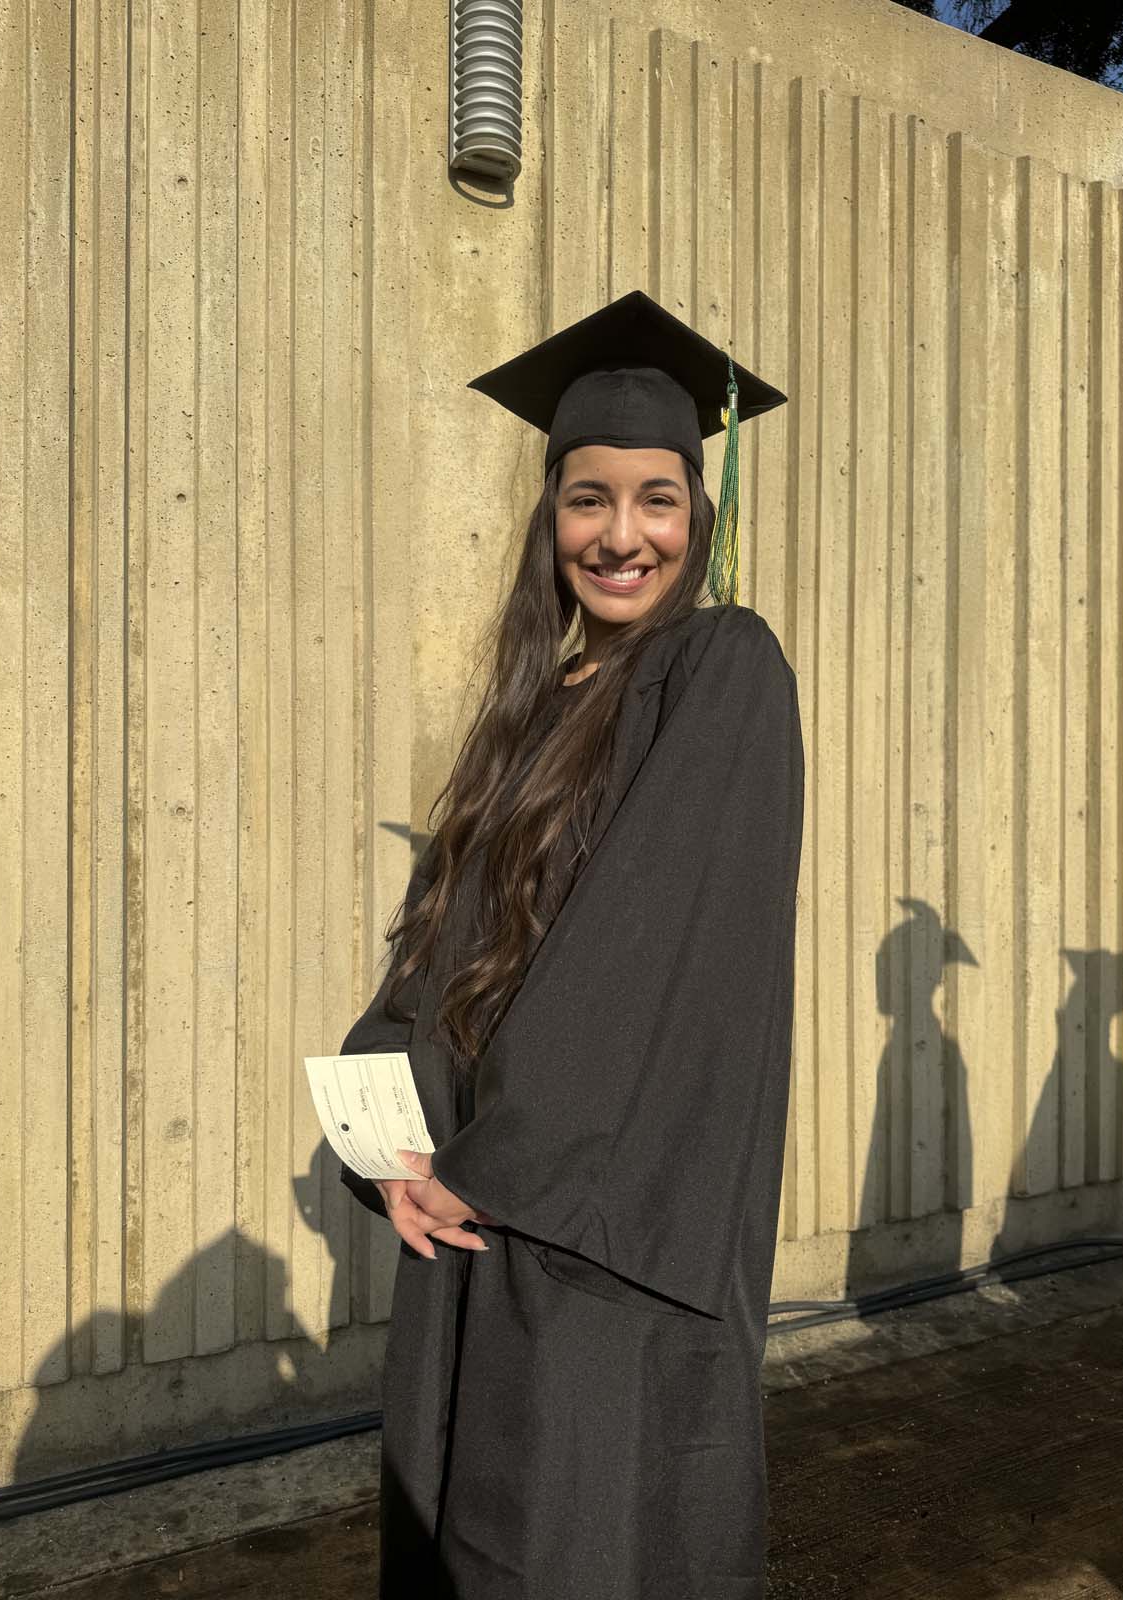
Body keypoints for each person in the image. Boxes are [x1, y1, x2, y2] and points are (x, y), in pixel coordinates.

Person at [338, 289, 805, 1599]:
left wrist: (495, 1163)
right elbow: (430, 964)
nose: (621, 533)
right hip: (474, 1225)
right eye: (587, 498)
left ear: (699, 517)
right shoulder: (521, 720)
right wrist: (390, 1150)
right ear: (550, 519)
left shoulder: (725, 672)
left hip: (608, 1244)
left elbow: (658, 957)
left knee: (585, 1545)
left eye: (657, 498)